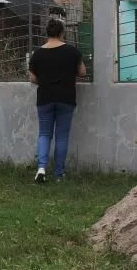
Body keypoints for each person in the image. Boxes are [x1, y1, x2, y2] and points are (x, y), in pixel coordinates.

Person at [27, 18, 86, 183]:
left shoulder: (38, 54)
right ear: (62, 33)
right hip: (66, 98)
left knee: (44, 134)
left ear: (47, 33)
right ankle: (59, 174)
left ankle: (41, 168)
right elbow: (82, 73)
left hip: (45, 98)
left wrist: (46, 81)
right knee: (61, 136)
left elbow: (32, 78)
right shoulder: (72, 51)